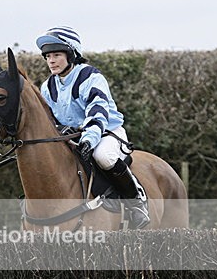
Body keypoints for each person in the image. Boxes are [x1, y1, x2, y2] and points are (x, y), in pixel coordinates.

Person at [36, 25, 150, 229]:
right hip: (74, 139)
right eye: (47, 56)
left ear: (71, 54)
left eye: (56, 55)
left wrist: (89, 139)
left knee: (103, 156)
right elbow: (49, 120)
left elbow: (98, 112)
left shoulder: (91, 77)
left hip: (106, 132)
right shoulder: (47, 87)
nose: (51, 61)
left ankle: (136, 202)